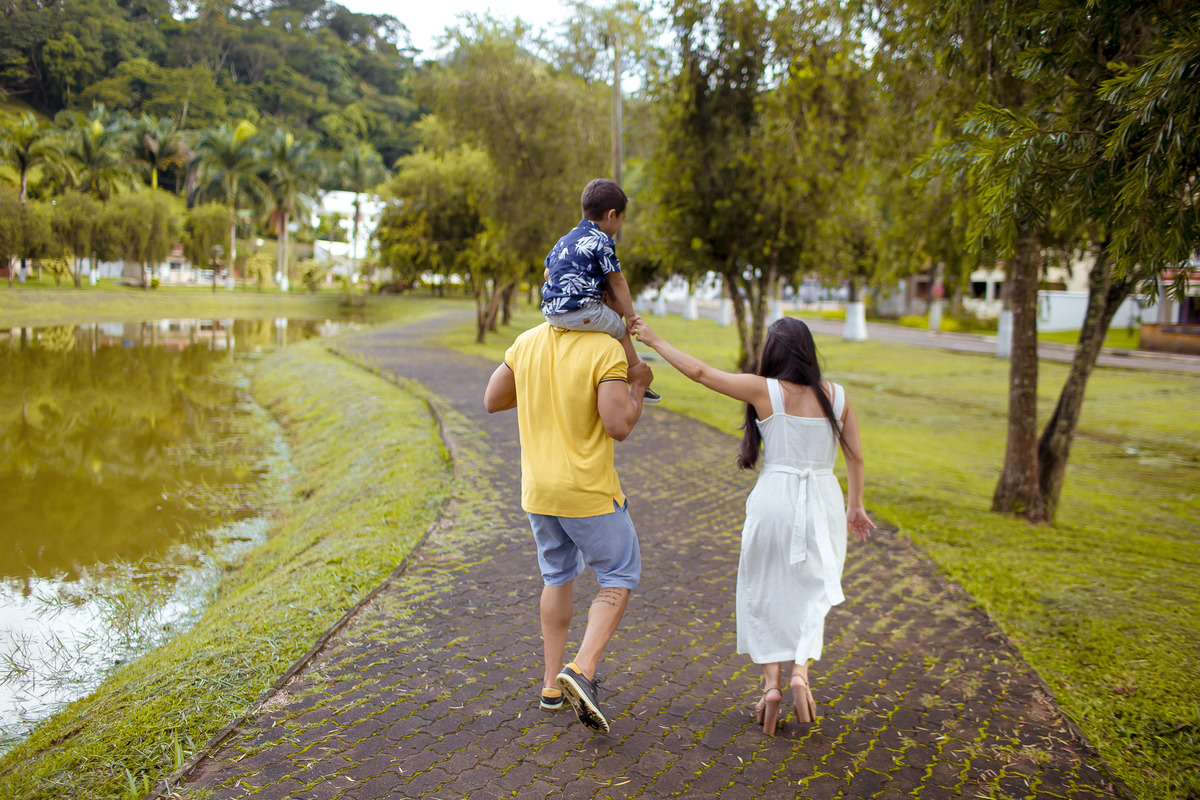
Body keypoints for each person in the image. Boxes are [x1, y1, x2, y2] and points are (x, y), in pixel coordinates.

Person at [630, 315, 875, 736]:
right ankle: (800, 672)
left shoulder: (766, 391)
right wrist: (855, 505)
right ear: (809, 350)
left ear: (772, 352)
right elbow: (855, 458)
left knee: (763, 589)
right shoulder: (838, 397)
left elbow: (703, 373)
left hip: (775, 496)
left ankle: (772, 685)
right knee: (814, 590)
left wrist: (653, 339)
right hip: (823, 499)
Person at [484, 294, 654, 733]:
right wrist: (638, 385)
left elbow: (493, 399)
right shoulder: (605, 349)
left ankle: (550, 687)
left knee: (557, 576)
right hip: (586, 492)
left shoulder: (527, 342)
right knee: (619, 572)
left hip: (539, 491)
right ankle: (583, 669)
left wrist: (545, 390)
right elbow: (619, 425)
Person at [542, 178, 660, 403]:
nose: (620, 225)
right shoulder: (602, 240)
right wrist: (631, 316)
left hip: (550, 313)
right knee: (619, 329)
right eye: (623, 219)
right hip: (581, 311)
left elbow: (548, 274)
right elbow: (617, 281)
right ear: (612, 214)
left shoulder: (564, 239)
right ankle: (636, 373)